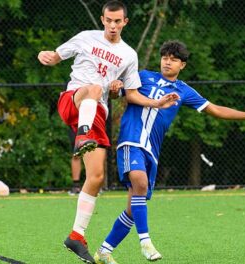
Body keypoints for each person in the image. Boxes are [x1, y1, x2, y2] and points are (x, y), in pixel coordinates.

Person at [93, 40, 245, 264]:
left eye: (173, 59)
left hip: (152, 150)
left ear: (182, 65)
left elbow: (215, 110)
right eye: (165, 57)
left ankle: (104, 252)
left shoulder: (184, 90)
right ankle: (145, 242)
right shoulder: (143, 76)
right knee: (140, 182)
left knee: (132, 209)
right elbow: (118, 93)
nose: (167, 62)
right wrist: (115, 88)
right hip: (131, 139)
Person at [38, 1, 179, 262]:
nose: (112, 26)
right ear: (102, 19)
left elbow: (132, 94)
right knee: (93, 87)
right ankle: (83, 135)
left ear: (125, 22)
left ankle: (76, 236)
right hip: (74, 100)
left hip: (97, 114)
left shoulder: (129, 55)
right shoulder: (85, 38)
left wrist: (156, 102)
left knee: (97, 176)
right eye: (108, 20)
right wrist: (45, 56)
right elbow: (55, 56)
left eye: (118, 21)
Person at [68, 127, 82, 195]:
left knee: (92, 154)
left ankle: (94, 186)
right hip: (76, 125)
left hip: (93, 123)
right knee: (76, 155)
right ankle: (76, 186)